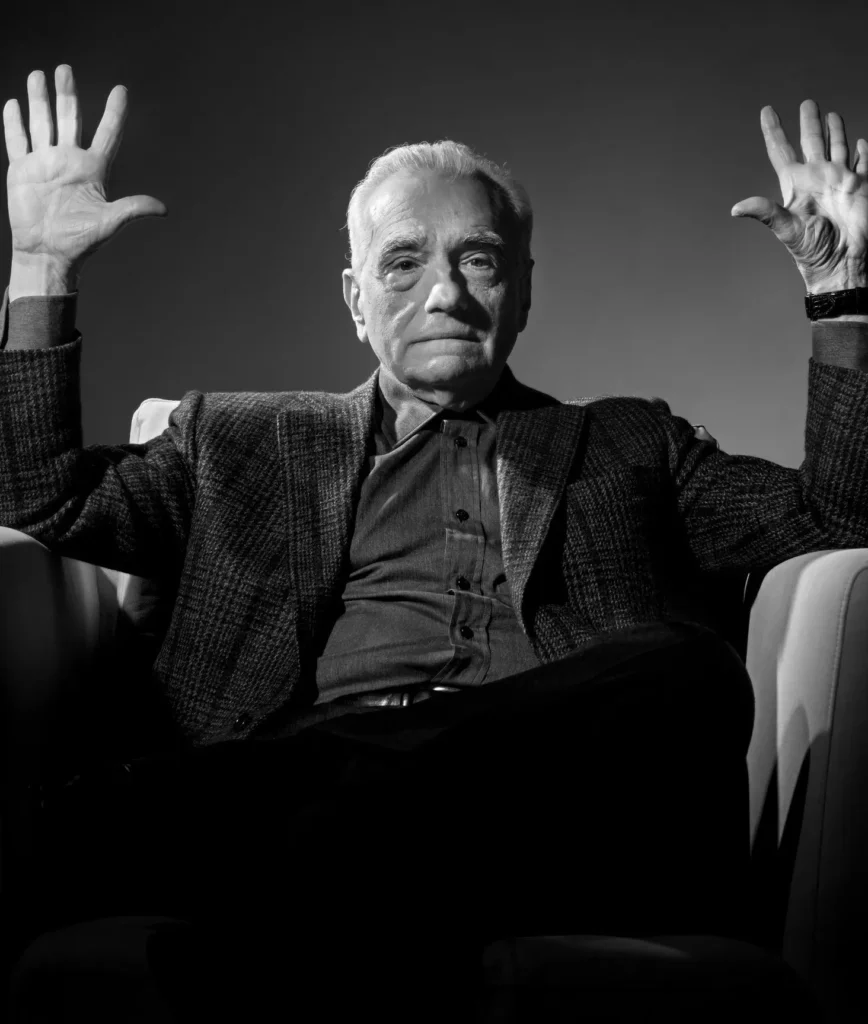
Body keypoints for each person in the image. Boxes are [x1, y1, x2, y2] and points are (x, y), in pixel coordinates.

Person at [2, 63, 867, 1022]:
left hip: (546, 824)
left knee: (689, 671)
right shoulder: (237, 442)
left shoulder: (632, 442)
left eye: (480, 260)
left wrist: (842, 293)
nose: (446, 292)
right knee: (350, 832)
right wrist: (41, 268)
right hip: (348, 821)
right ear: (355, 297)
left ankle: (306, 832)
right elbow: (41, 499)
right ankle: (342, 844)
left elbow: (840, 517)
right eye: (404, 262)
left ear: (524, 291)